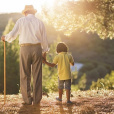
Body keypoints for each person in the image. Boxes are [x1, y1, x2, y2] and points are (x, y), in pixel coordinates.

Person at [1, 5, 48, 105]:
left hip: (25, 48)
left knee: (25, 74)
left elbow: (13, 35)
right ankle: (36, 100)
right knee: (37, 75)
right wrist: (44, 52)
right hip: (37, 48)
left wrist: (6, 37)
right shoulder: (40, 22)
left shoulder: (21, 21)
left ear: (25, 12)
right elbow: (44, 40)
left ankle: (27, 100)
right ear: (34, 12)